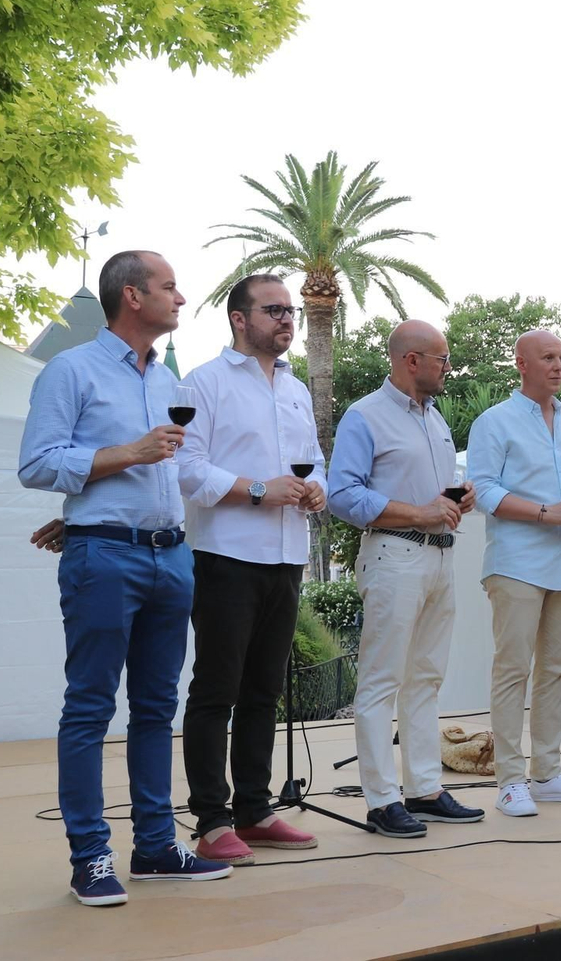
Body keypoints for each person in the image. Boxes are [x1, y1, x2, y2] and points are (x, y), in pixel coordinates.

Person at [18, 250, 231, 905]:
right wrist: (118, 466)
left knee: (156, 709)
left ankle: (156, 848)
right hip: (107, 560)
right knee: (89, 706)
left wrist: (88, 505)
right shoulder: (71, 368)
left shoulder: (167, 378)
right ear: (132, 296)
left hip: (170, 556)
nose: (181, 296)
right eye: (169, 287)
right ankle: (89, 859)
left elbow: (153, 474)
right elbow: (37, 463)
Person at [176, 274, 325, 865]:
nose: (287, 319)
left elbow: (313, 466)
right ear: (240, 318)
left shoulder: (294, 389)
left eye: (290, 310)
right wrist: (262, 490)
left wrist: (315, 491)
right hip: (227, 555)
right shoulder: (204, 383)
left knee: (265, 692)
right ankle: (212, 821)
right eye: (274, 310)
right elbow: (188, 470)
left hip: (287, 555)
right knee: (216, 691)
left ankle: (255, 810)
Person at [327, 320, 485, 838]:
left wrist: (458, 500)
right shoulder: (364, 416)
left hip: (440, 556)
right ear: (410, 360)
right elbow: (342, 496)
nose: (448, 367)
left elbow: (434, 497)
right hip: (395, 555)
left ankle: (423, 788)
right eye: (441, 358)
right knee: (380, 682)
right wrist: (419, 513)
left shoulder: (436, 419)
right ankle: (380, 800)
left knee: (426, 680)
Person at [468, 329, 561, 818]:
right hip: (516, 562)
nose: (558, 366)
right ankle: (509, 780)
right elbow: (481, 490)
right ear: (520, 363)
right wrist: (546, 513)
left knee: (558, 671)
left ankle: (547, 773)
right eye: (547, 357)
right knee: (513, 670)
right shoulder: (494, 421)